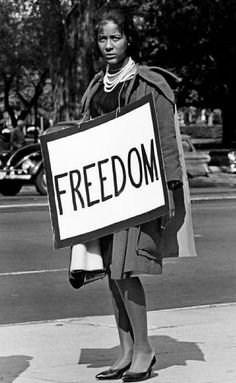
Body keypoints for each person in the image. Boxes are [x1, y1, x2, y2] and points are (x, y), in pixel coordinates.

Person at [71, 6, 184, 382]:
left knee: (124, 270)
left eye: (115, 37)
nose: (108, 45)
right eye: (102, 38)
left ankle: (145, 350)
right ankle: (125, 351)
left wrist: (172, 192)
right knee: (110, 272)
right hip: (103, 196)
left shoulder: (151, 84)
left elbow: (167, 142)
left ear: (128, 38)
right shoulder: (94, 86)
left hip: (139, 192)